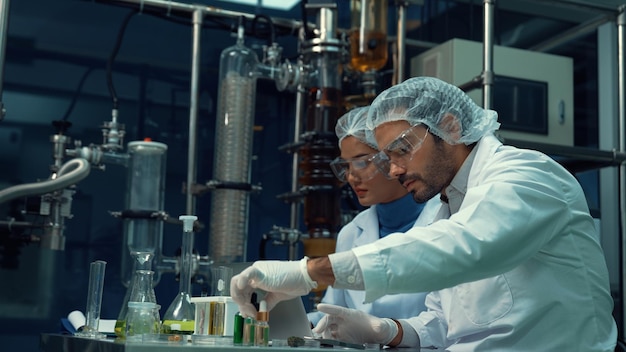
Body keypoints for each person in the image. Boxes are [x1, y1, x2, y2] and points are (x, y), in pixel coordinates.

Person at [231, 77, 617, 351]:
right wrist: (384, 330)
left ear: (449, 126)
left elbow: (463, 247)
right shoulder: (450, 208)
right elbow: (443, 323)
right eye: (385, 158)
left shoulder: (527, 175)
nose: (394, 170)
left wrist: (308, 272)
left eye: (401, 150)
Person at [307, 106, 440, 326]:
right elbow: (332, 312)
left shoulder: (444, 219)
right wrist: (283, 322)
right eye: (345, 166)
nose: (351, 177)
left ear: (393, 157)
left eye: (361, 162)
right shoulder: (351, 234)